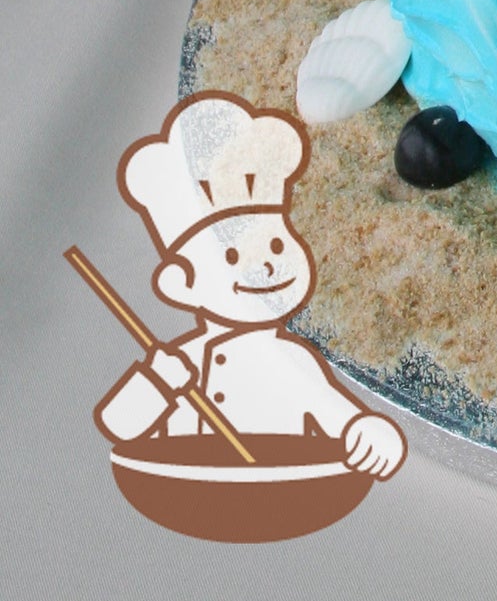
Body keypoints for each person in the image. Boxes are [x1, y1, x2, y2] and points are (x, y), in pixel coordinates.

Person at [93, 90, 405, 479]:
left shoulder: (297, 360)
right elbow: (119, 424)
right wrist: (158, 382)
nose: (269, 268)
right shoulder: (185, 361)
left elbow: (339, 415)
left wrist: (364, 430)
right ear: (180, 284)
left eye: (277, 245)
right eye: (233, 257)